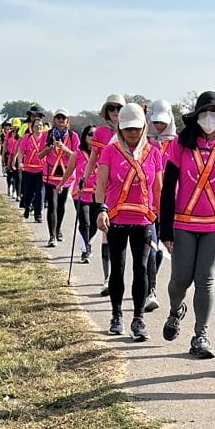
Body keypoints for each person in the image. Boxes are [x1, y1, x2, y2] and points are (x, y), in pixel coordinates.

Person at [159, 91, 215, 359]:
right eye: (205, 113)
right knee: (180, 279)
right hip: (182, 223)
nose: (209, 118)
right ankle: (174, 311)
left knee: (206, 281)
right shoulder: (180, 145)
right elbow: (168, 188)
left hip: (214, 226)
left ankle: (200, 335)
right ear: (196, 116)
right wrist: (165, 229)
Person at [95, 102, 163, 340]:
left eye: (137, 128)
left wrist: (160, 220)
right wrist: (101, 210)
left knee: (141, 269)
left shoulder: (153, 152)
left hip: (144, 221)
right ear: (120, 129)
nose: (133, 133)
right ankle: (116, 315)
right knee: (118, 268)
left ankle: (138, 319)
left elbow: (158, 188)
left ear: (144, 127)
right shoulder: (110, 151)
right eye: (128, 128)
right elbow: (101, 185)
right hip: (116, 219)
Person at [85, 95, 126, 295]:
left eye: (119, 108)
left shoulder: (132, 130)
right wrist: (85, 176)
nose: (116, 112)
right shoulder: (101, 132)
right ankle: (108, 278)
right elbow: (94, 157)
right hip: (107, 186)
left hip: (128, 187)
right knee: (107, 233)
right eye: (112, 109)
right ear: (107, 112)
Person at [144, 99, 176, 312]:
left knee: (162, 249)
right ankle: (150, 291)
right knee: (152, 250)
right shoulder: (142, 142)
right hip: (147, 204)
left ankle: (150, 285)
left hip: (171, 205)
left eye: (163, 122)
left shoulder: (179, 143)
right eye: (156, 122)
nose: (159, 126)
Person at [43, 109, 80, 247]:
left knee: (61, 205)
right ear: (54, 120)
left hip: (66, 175)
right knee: (52, 205)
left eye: (63, 118)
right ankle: (51, 236)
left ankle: (58, 229)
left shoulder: (73, 136)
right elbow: (39, 155)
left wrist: (65, 149)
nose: (60, 120)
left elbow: (77, 156)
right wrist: (48, 149)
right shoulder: (47, 134)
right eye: (58, 117)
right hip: (50, 175)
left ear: (67, 121)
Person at [64, 125, 99, 263]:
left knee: (95, 224)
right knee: (85, 222)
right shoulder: (77, 154)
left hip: (97, 193)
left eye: (96, 135)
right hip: (80, 193)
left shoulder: (102, 152)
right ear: (85, 137)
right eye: (91, 134)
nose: (93, 137)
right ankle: (85, 250)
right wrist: (61, 184)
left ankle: (87, 243)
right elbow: (69, 170)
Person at [18, 115, 46, 223]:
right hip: (29, 169)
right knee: (28, 192)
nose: (38, 127)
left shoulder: (46, 138)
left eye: (40, 125)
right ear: (32, 127)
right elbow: (21, 151)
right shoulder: (27, 137)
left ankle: (38, 214)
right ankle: (27, 206)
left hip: (41, 170)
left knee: (40, 192)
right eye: (36, 125)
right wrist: (20, 163)